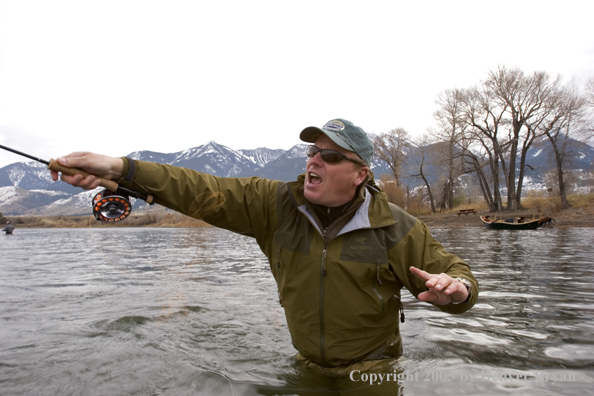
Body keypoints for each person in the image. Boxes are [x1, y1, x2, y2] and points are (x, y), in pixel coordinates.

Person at [50, 118, 478, 372]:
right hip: (306, 365)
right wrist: (119, 169)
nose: (314, 161)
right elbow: (198, 187)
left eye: (331, 157)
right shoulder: (273, 206)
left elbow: (458, 276)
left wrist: (457, 292)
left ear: (360, 174)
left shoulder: (399, 229)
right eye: (314, 151)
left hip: (373, 371)